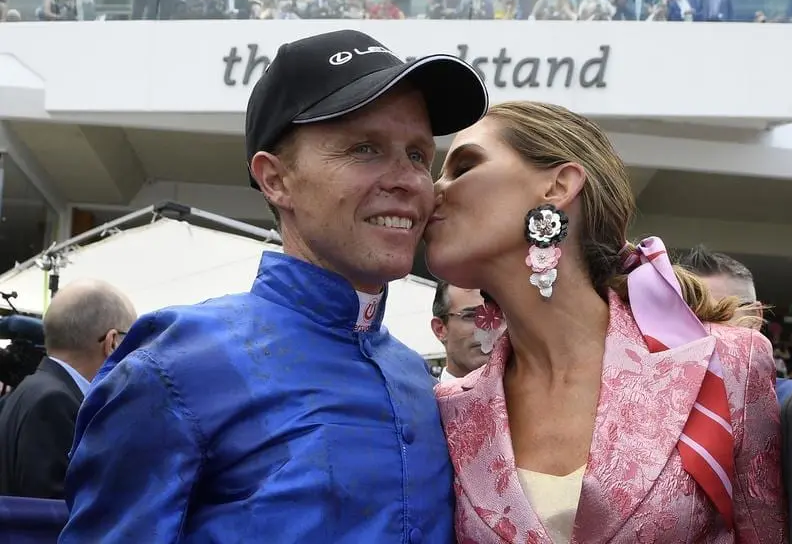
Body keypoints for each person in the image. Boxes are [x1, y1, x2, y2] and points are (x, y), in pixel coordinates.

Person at [59, 29, 488, 543]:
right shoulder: (174, 365)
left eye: (419, 154)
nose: (408, 180)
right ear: (275, 179)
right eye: (365, 148)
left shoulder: (415, 377)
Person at [425, 101, 785, 543]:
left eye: (463, 166)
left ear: (558, 186)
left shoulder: (727, 363)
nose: (433, 191)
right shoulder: (450, 408)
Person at [0, 279, 136, 499]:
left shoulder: (29, 390)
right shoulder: (55, 403)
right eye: (131, 342)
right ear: (112, 343)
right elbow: (56, 516)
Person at [678, 244, 792, 405]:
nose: (702, 333)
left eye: (719, 317)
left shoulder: (789, 403)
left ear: (754, 318)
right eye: (686, 318)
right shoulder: (653, 407)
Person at [430, 282, 488, 381]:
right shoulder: (420, 395)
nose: (487, 327)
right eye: (471, 316)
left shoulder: (519, 394)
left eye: (497, 316)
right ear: (440, 329)